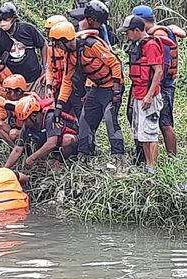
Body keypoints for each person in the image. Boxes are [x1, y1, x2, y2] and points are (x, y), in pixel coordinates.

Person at [49, 21, 126, 164]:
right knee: (85, 120)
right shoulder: (70, 55)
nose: (57, 47)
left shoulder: (91, 45)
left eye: (57, 43)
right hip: (96, 87)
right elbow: (67, 81)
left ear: (65, 40)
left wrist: (116, 90)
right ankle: (84, 154)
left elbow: (115, 63)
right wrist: (59, 107)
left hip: (111, 86)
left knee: (110, 120)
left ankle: (119, 156)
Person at [132, 5, 185, 156]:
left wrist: (152, 91)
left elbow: (162, 66)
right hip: (159, 85)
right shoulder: (158, 31)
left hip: (163, 86)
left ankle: (172, 156)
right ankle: (144, 154)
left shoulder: (159, 34)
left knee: (164, 121)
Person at [118, 15, 164, 174]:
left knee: (150, 133)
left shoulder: (151, 45)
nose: (126, 35)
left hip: (148, 96)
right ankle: (147, 165)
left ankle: (152, 167)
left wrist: (149, 95)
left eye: (128, 32)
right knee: (141, 132)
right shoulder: (138, 44)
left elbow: (158, 71)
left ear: (136, 30)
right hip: (138, 93)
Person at [0, 2, 48, 98]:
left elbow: (44, 45)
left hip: (36, 79)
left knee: (42, 107)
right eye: (0, 20)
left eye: (5, 19)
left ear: (14, 19)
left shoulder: (28, 29)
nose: (2, 22)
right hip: (16, 88)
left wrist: (46, 69)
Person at [4, 96, 78, 168]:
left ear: (33, 116)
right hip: (54, 145)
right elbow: (17, 149)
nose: (23, 124)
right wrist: (5, 168)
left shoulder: (50, 117)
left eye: (25, 121)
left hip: (72, 141)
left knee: (67, 140)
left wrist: (32, 157)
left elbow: (52, 143)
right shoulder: (27, 124)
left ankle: (61, 161)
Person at [43, 15, 68, 100]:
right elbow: (50, 69)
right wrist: (49, 86)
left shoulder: (70, 47)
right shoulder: (51, 48)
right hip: (58, 86)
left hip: (72, 87)